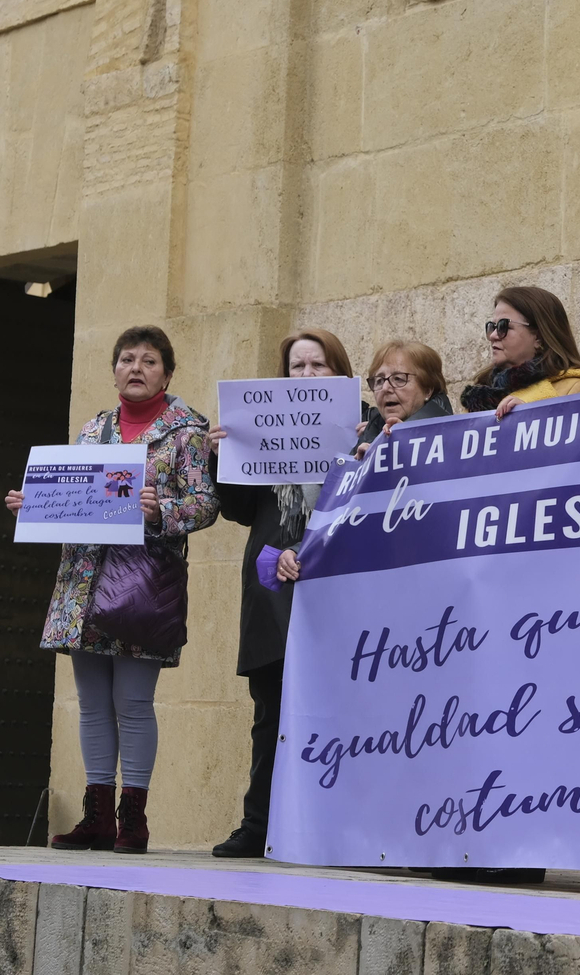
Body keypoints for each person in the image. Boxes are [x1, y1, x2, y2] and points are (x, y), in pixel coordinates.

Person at [5, 326, 219, 855]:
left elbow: (204, 504)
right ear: (115, 370)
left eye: (149, 360)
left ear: (167, 373)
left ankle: (133, 820)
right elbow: (74, 496)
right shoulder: (94, 429)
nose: (136, 368)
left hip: (141, 586)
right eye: (127, 359)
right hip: (83, 582)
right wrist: (33, 507)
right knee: (93, 704)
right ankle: (97, 816)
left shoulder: (186, 433)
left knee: (133, 702)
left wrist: (161, 510)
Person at [206, 329, 358, 858]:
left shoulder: (360, 424)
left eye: (318, 365)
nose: (307, 375)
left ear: (339, 372)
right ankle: (259, 825)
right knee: (270, 711)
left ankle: (338, 824)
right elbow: (239, 509)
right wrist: (222, 456)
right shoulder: (265, 425)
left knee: (341, 706)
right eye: (297, 366)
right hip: (273, 586)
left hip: (337, 585)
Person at [461, 286, 580, 415]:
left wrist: (531, 416)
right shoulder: (479, 399)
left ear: (538, 337)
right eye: (492, 326)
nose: (493, 336)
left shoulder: (578, 389)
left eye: (503, 326)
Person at [352, 340, 454, 458]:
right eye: (379, 381)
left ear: (427, 390)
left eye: (398, 379)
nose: (385, 388)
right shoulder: (367, 437)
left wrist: (407, 441)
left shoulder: (453, 439)